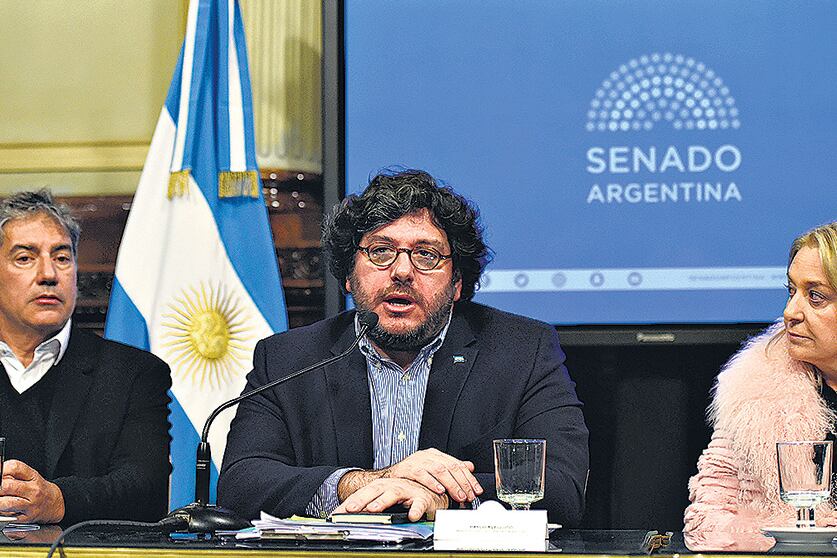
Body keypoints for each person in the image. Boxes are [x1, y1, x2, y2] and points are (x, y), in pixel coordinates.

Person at [218, 169, 589, 523]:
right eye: (380, 251)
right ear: (349, 276)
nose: (401, 271)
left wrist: (441, 498)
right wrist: (364, 482)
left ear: (457, 283)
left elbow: (562, 488)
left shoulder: (521, 353)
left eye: (426, 254)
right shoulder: (289, 360)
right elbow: (241, 485)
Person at [0, 190, 172, 525]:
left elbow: (148, 490)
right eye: (25, 258)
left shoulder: (133, 374)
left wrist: (60, 501)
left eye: (62, 258)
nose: (49, 274)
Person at [684, 222, 837, 551]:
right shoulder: (754, 389)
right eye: (791, 291)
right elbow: (704, 522)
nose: (790, 312)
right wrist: (794, 541)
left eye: (816, 297)